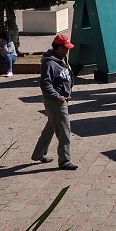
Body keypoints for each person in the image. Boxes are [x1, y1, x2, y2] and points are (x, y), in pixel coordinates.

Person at [31, 33, 78, 170]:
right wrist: (57, 96)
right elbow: (45, 84)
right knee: (64, 131)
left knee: (51, 127)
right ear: (59, 48)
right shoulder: (50, 64)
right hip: (56, 102)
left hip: (61, 99)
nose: (68, 50)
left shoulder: (62, 59)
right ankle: (64, 160)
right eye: (66, 48)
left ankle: (38, 153)